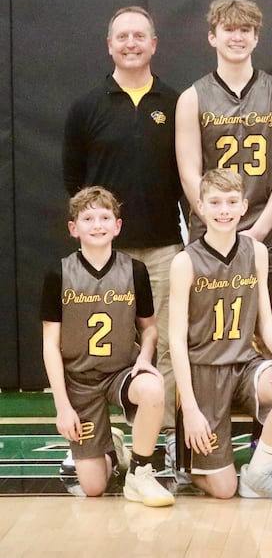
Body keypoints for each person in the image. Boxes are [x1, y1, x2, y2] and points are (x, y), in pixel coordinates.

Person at [62, 6, 183, 474]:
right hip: (104, 256)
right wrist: (97, 234)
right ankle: (103, 436)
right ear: (109, 45)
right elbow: (74, 181)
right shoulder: (86, 107)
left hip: (163, 247)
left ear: (154, 44)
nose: (131, 43)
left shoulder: (175, 103)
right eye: (122, 36)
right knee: (103, 349)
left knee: (166, 343)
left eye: (139, 36)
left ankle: (163, 439)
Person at [168, 169, 272, 500]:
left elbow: (266, 320)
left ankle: (259, 472)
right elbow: (175, 339)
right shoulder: (185, 262)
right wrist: (189, 407)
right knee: (223, 490)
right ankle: (184, 459)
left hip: (246, 363)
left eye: (232, 202)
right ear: (200, 208)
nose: (224, 210)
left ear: (244, 206)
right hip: (204, 371)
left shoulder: (256, 251)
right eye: (215, 203)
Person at [41, 186, 174, 507]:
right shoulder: (58, 274)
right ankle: (112, 449)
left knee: (153, 387)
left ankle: (140, 473)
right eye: (88, 218)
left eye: (104, 217)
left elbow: (150, 329)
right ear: (73, 228)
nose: (97, 224)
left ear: (117, 226)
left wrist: (145, 358)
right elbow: (50, 345)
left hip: (121, 373)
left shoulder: (135, 271)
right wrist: (62, 407)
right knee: (93, 487)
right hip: (80, 382)